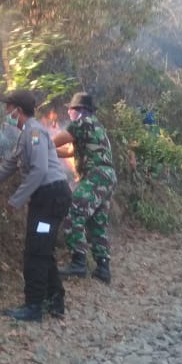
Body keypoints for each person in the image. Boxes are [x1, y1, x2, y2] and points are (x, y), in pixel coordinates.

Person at [0, 90, 72, 322]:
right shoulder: (26, 135)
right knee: (42, 248)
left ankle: (33, 306)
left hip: (50, 199)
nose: (6, 113)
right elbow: (7, 167)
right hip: (49, 197)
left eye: (8, 108)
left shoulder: (34, 133)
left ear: (18, 111)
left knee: (35, 251)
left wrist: (17, 199)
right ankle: (55, 300)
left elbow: (41, 170)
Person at [52, 92, 117, 284]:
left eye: (70, 110)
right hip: (107, 176)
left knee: (73, 212)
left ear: (78, 111)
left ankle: (78, 262)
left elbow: (58, 140)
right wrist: (50, 150)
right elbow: (70, 151)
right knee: (97, 222)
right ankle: (103, 267)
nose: (69, 114)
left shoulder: (82, 122)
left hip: (96, 175)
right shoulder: (96, 126)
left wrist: (37, 142)